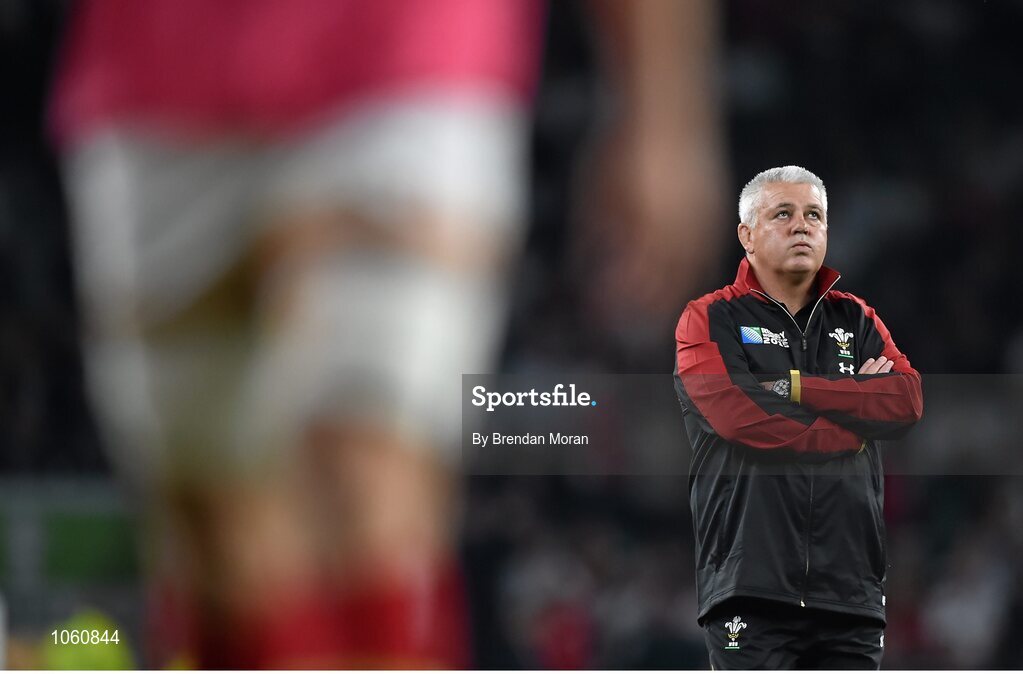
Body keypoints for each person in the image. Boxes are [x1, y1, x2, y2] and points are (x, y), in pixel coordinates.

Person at [50, 0, 726, 667]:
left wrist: (663, 110)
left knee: (365, 470)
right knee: (220, 543)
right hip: (157, 76)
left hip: (415, 60)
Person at [673, 165, 923, 669]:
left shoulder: (858, 318)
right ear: (745, 235)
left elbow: (905, 401)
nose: (802, 225)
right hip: (750, 586)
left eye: (814, 215)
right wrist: (851, 416)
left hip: (850, 589)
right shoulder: (709, 318)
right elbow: (739, 418)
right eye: (782, 214)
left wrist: (795, 388)